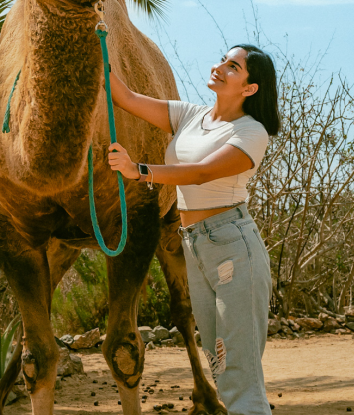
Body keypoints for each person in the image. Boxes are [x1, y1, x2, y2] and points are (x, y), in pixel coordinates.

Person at [106, 44, 281, 415]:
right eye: (223, 59)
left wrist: (139, 170)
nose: (219, 67)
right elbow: (123, 96)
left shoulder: (252, 132)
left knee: (239, 375)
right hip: (197, 247)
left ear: (250, 88)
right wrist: (95, 38)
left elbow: (203, 173)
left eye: (233, 67)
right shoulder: (190, 116)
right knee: (220, 365)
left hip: (233, 246)